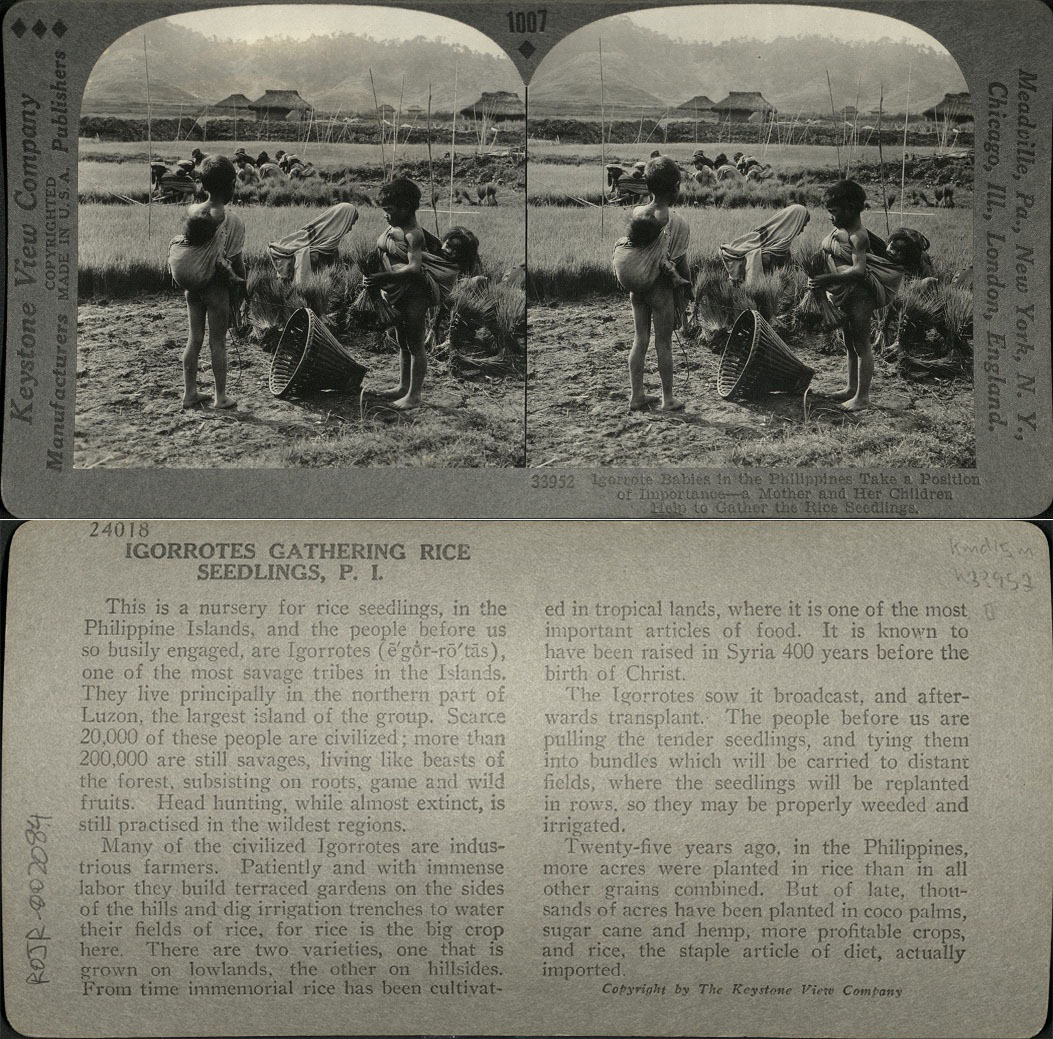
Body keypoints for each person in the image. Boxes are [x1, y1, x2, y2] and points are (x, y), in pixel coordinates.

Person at [361, 178, 458, 410]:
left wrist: (382, 277)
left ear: (405, 208)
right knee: (402, 341)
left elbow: (414, 268)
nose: (385, 215)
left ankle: (414, 396)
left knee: (415, 344)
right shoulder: (394, 228)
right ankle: (402, 387)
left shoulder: (413, 234)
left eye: (389, 210)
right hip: (397, 293)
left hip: (414, 294)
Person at [807, 180, 902, 412]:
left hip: (860, 295)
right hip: (845, 294)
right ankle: (851, 389)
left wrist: (826, 279)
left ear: (850, 209)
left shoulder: (858, 236)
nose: (830, 217)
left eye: (834, 211)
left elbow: (859, 271)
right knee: (849, 343)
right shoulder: (839, 230)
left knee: (861, 344)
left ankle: (862, 397)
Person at [612, 155, 691, 413]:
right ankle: (668, 399)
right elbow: (680, 260)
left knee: (640, 339)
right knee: (663, 343)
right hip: (659, 288)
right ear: (676, 187)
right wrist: (686, 286)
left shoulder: (638, 212)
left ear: (647, 185)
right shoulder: (675, 221)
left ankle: (637, 395)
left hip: (637, 288)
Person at [174, 154, 246, 411]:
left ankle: (189, 393)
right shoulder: (232, 220)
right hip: (216, 288)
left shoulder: (192, 210)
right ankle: (220, 397)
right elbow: (236, 261)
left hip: (192, 287)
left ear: (203, 185)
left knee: (194, 339)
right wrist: (242, 287)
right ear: (231, 186)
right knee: (218, 343)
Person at [719, 203, 810, 284]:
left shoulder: (782, 244)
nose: (802, 230)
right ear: (794, 222)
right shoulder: (765, 238)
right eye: (802, 225)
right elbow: (740, 250)